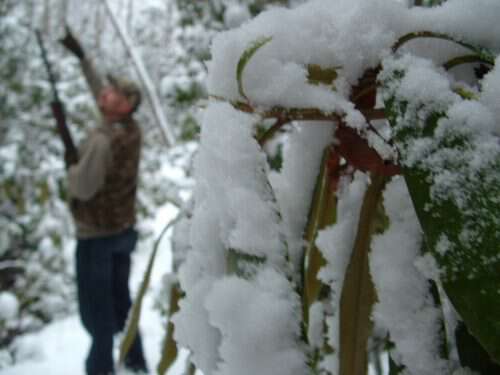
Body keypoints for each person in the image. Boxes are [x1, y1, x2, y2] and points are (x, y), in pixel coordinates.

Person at [60, 28, 148, 375]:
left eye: (114, 92)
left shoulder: (102, 139)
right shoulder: (129, 127)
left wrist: (70, 168)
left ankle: (100, 370)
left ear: (123, 105)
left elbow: (82, 188)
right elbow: (100, 91)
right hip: (123, 232)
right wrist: (83, 58)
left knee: (96, 318)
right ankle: (136, 361)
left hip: (95, 238)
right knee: (122, 304)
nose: (105, 92)